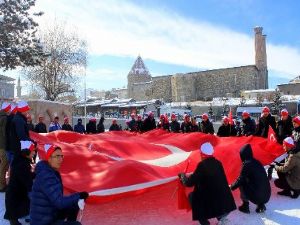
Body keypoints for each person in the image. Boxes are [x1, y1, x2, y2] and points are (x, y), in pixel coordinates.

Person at [179, 142, 236, 225]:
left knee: (192, 197)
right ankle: (221, 218)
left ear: (202, 154)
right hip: (225, 204)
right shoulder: (218, 163)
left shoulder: (202, 165)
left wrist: (182, 177)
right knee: (214, 195)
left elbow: (189, 183)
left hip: (212, 202)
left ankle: (204, 222)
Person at [30, 144, 89, 225]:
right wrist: (79, 195)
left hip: (51, 214)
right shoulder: (46, 176)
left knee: (74, 205)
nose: (60, 159)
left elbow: (57, 199)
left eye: (61, 156)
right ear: (49, 158)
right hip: (44, 222)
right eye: (57, 156)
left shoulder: (51, 172)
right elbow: (59, 202)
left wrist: (77, 197)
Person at [230, 144, 271, 213]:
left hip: (257, 196)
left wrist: (231, 187)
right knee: (254, 182)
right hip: (267, 195)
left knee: (242, 183)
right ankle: (261, 205)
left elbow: (240, 179)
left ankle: (245, 206)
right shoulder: (257, 162)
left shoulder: (247, 164)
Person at [4, 140, 36, 225]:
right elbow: (26, 179)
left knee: (17, 210)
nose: (34, 152)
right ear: (26, 152)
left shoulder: (20, 161)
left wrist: (34, 174)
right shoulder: (21, 163)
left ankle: (22, 218)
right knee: (15, 211)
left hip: (16, 193)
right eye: (33, 150)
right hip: (15, 194)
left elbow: (26, 175)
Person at [0, 102, 10, 192]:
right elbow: (4, 133)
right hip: (3, 145)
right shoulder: (4, 118)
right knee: (3, 165)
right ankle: (2, 185)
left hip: (0, 145)